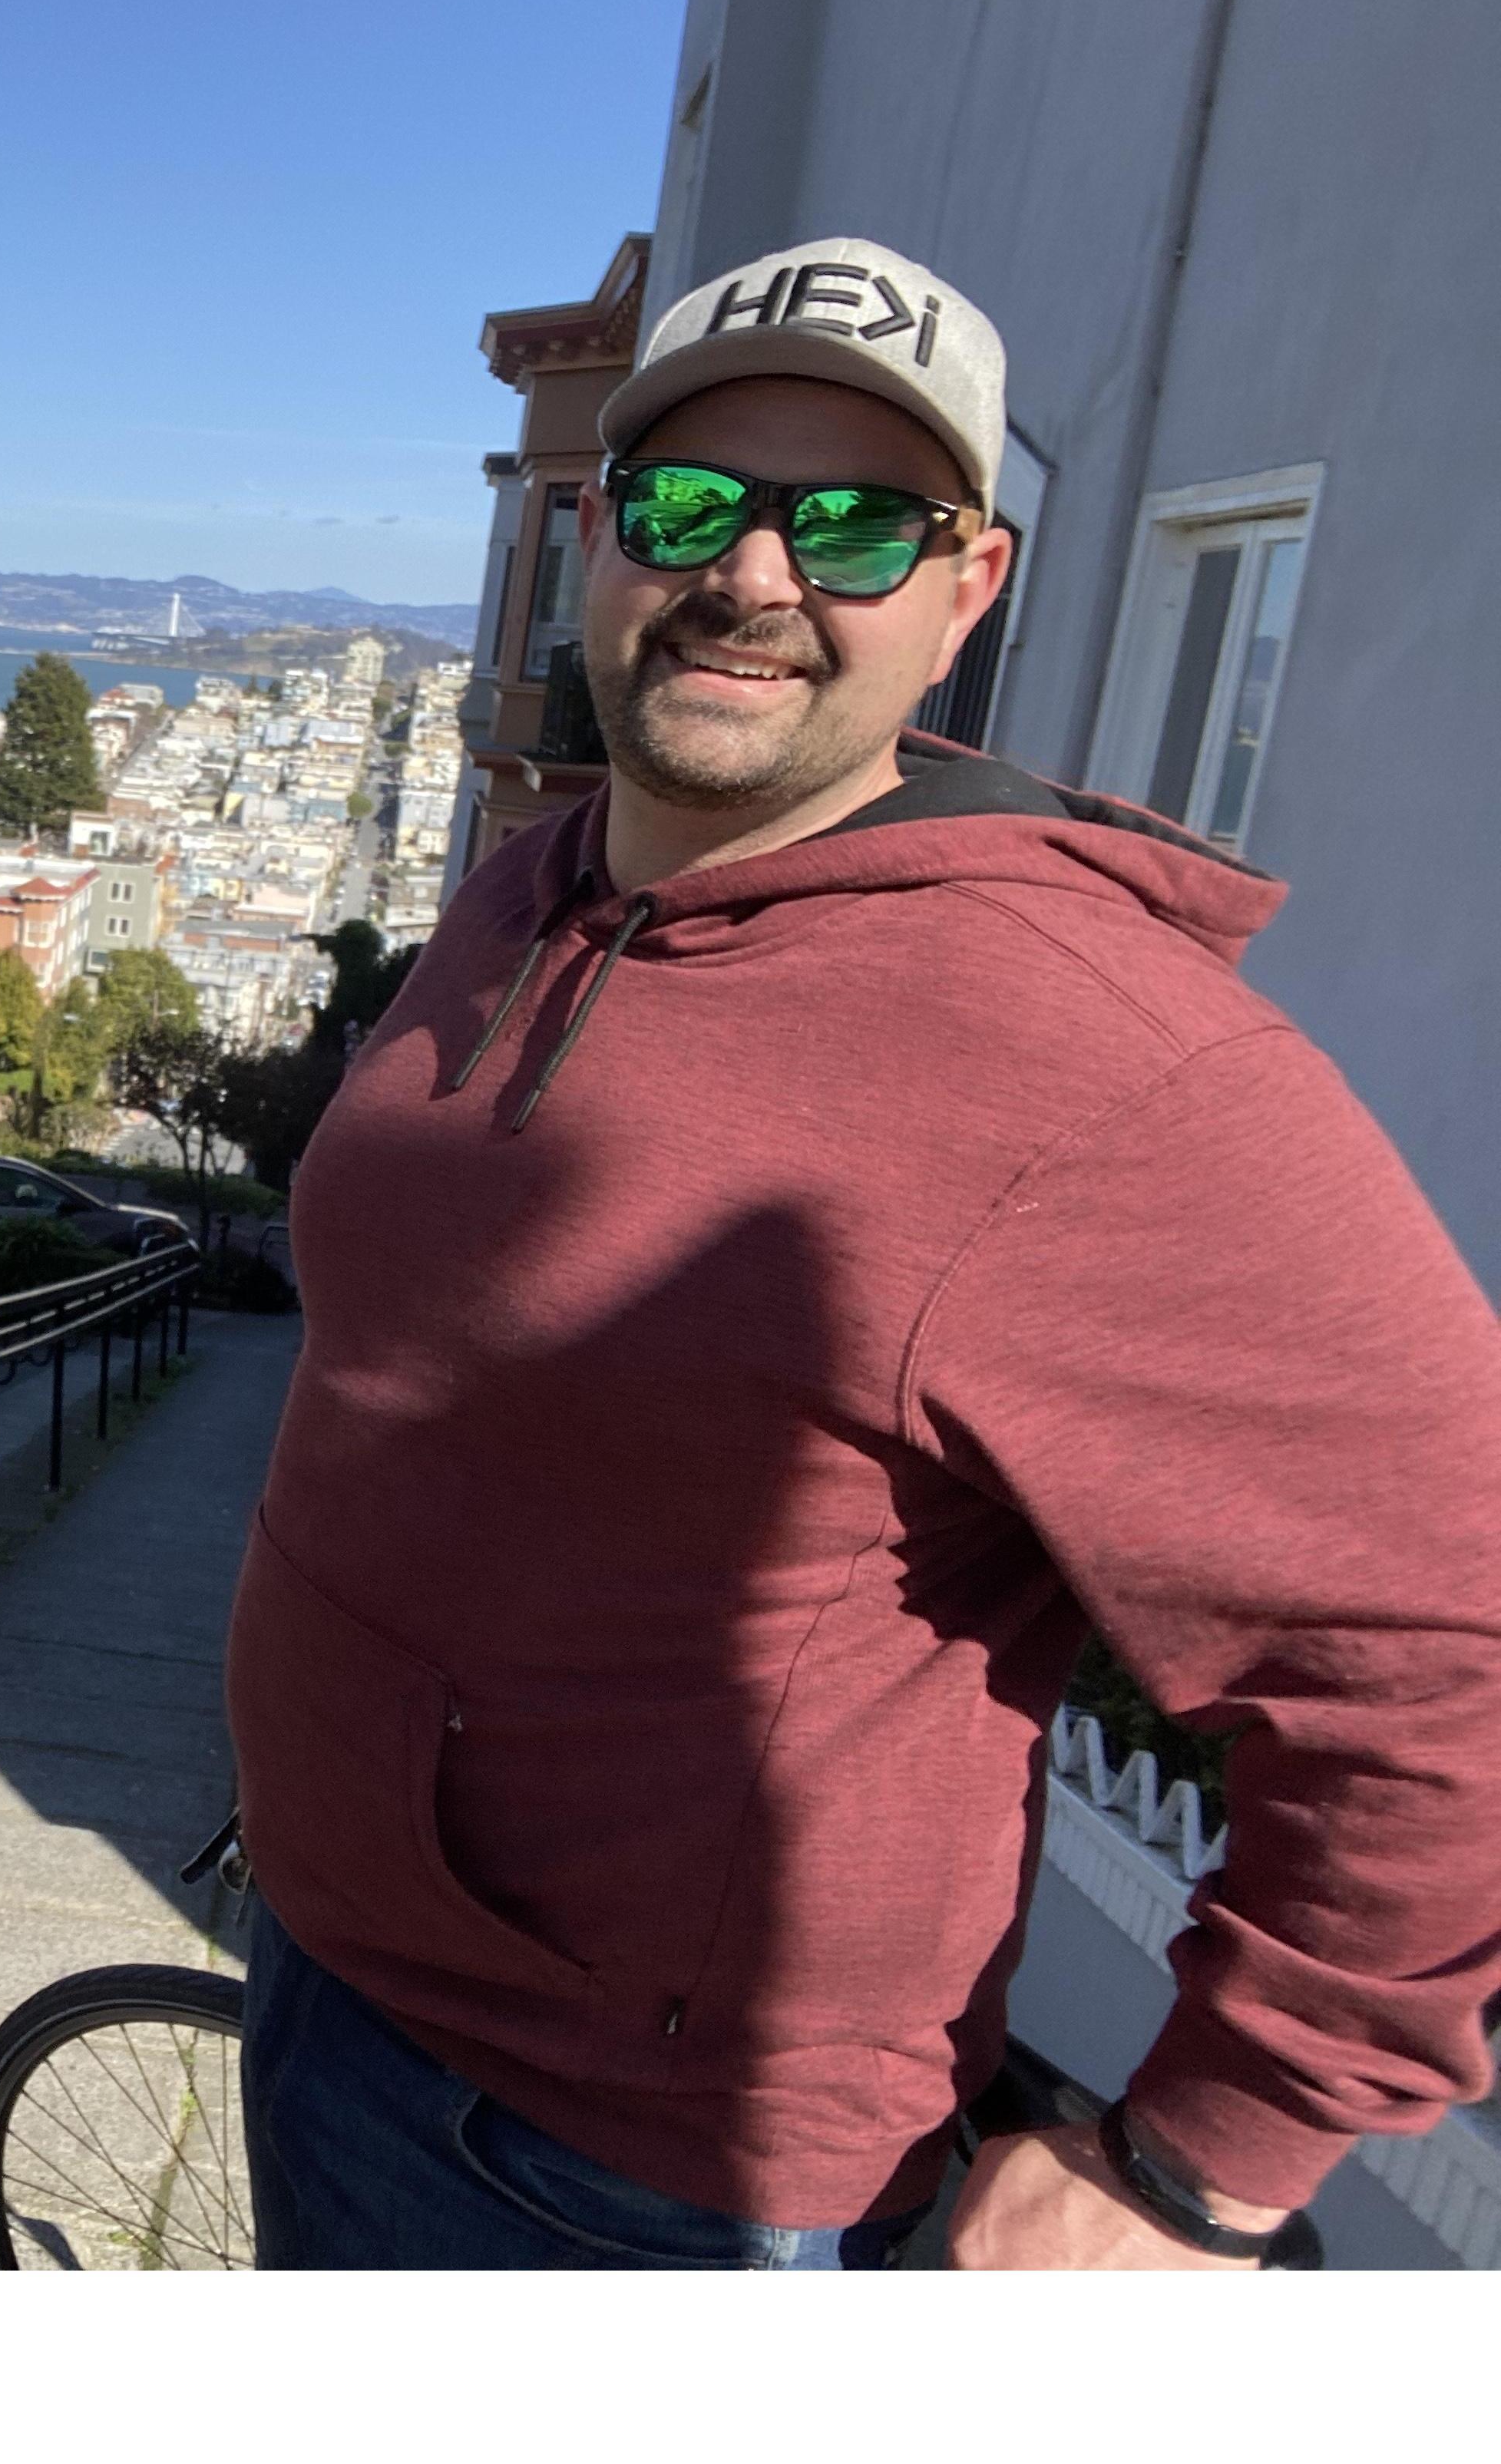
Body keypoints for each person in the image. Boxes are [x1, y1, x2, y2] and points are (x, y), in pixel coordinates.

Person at [226, 236, 1501, 2271]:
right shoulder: (541, 881)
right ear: (595, 541)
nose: (754, 575)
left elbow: (1456, 1632)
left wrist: (1207, 2160)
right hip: (333, 1984)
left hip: (625, 2177)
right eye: (689, 505)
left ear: (969, 587)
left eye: (854, 526)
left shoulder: (1098, 1054)